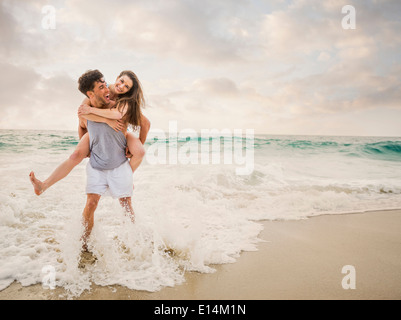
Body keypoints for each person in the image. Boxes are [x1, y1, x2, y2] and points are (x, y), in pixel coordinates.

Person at [29, 70, 150, 196]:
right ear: (117, 77)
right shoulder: (99, 91)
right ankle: (43, 185)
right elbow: (82, 114)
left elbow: (145, 124)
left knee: (139, 151)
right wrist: (104, 124)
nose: (122, 86)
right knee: (75, 156)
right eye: (122, 81)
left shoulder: (125, 101)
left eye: (126, 87)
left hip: (118, 132)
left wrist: (135, 145)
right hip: (97, 131)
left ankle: (125, 179)